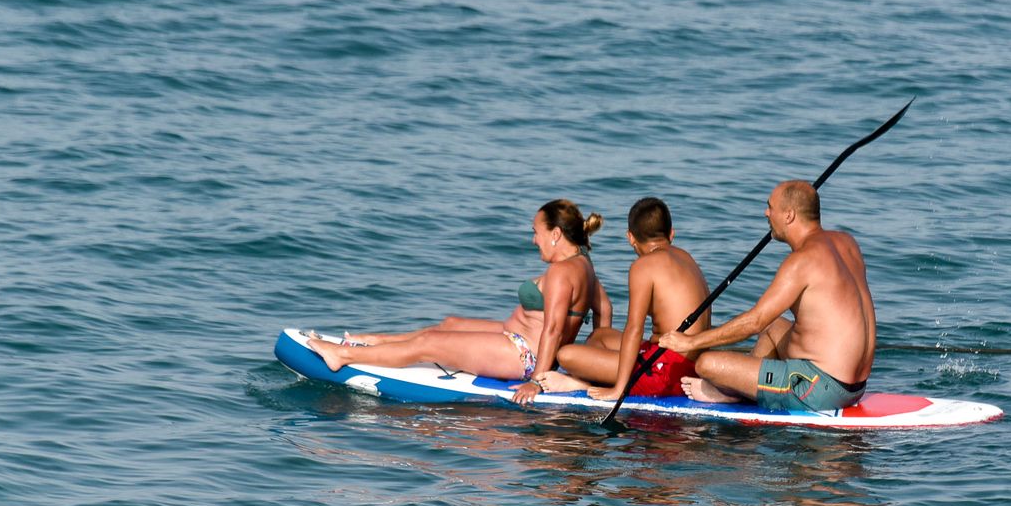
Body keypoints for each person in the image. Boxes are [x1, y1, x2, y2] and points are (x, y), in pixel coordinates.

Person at [306, 199, 610, 404]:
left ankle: (341, 357)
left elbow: (554, 329)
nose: (533, 240)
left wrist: (540, 382)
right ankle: (370, 341)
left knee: (429, 343)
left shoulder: (560, 271)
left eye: (536, 232)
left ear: (555, 234)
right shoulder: (583, 262)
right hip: (521, 342)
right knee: (448, 325)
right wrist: (591, 360)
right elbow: (604, 309)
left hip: (524, 356)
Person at [657, 180, 873, 411]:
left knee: (707, 364)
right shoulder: (847, 242)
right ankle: (740, 385)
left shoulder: (801, 261)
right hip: (856, 387)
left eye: (771, 207)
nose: (766, 213)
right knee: (775, 327)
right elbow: (768, 324)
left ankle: (732, 394)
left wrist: (690, 341)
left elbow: (755, 321)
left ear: (789, 215)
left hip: (819, 389)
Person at [538, 197, 711, 399]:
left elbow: (634, 329)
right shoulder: (686, 257)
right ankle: (593, 379)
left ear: (630, 237)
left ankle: (582, 384)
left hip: (668, 374)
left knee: (567, 355)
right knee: (599, 336)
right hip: (686, 363)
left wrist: (619, 389)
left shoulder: (643, 266)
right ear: (671, 234)